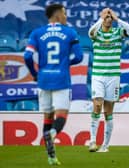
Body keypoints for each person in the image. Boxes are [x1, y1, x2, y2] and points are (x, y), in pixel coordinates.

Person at [24, 3, 83, 165]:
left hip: (43, 79)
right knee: (61, 116)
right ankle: (54, 133)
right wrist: (64, 65)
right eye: (64, 14)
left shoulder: (37, 33)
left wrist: (35, 73)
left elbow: (28, 56)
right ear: (57, 15)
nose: (66, 17)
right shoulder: (70, 32)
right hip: (61, 79)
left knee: (47, 118)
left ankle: (51, 156)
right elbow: (79, 57)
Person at [88, 8, 129, 152]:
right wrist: (100, 18)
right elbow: (90, 32)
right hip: (98, 76)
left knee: (108, 112)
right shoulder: (96, 33)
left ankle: (105, 145)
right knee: (97, 104)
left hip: (113, 77)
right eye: (106, 17)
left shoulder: (118, 32)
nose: (108, 19)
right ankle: (92, 141)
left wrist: (117, 19)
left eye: (110, 17)